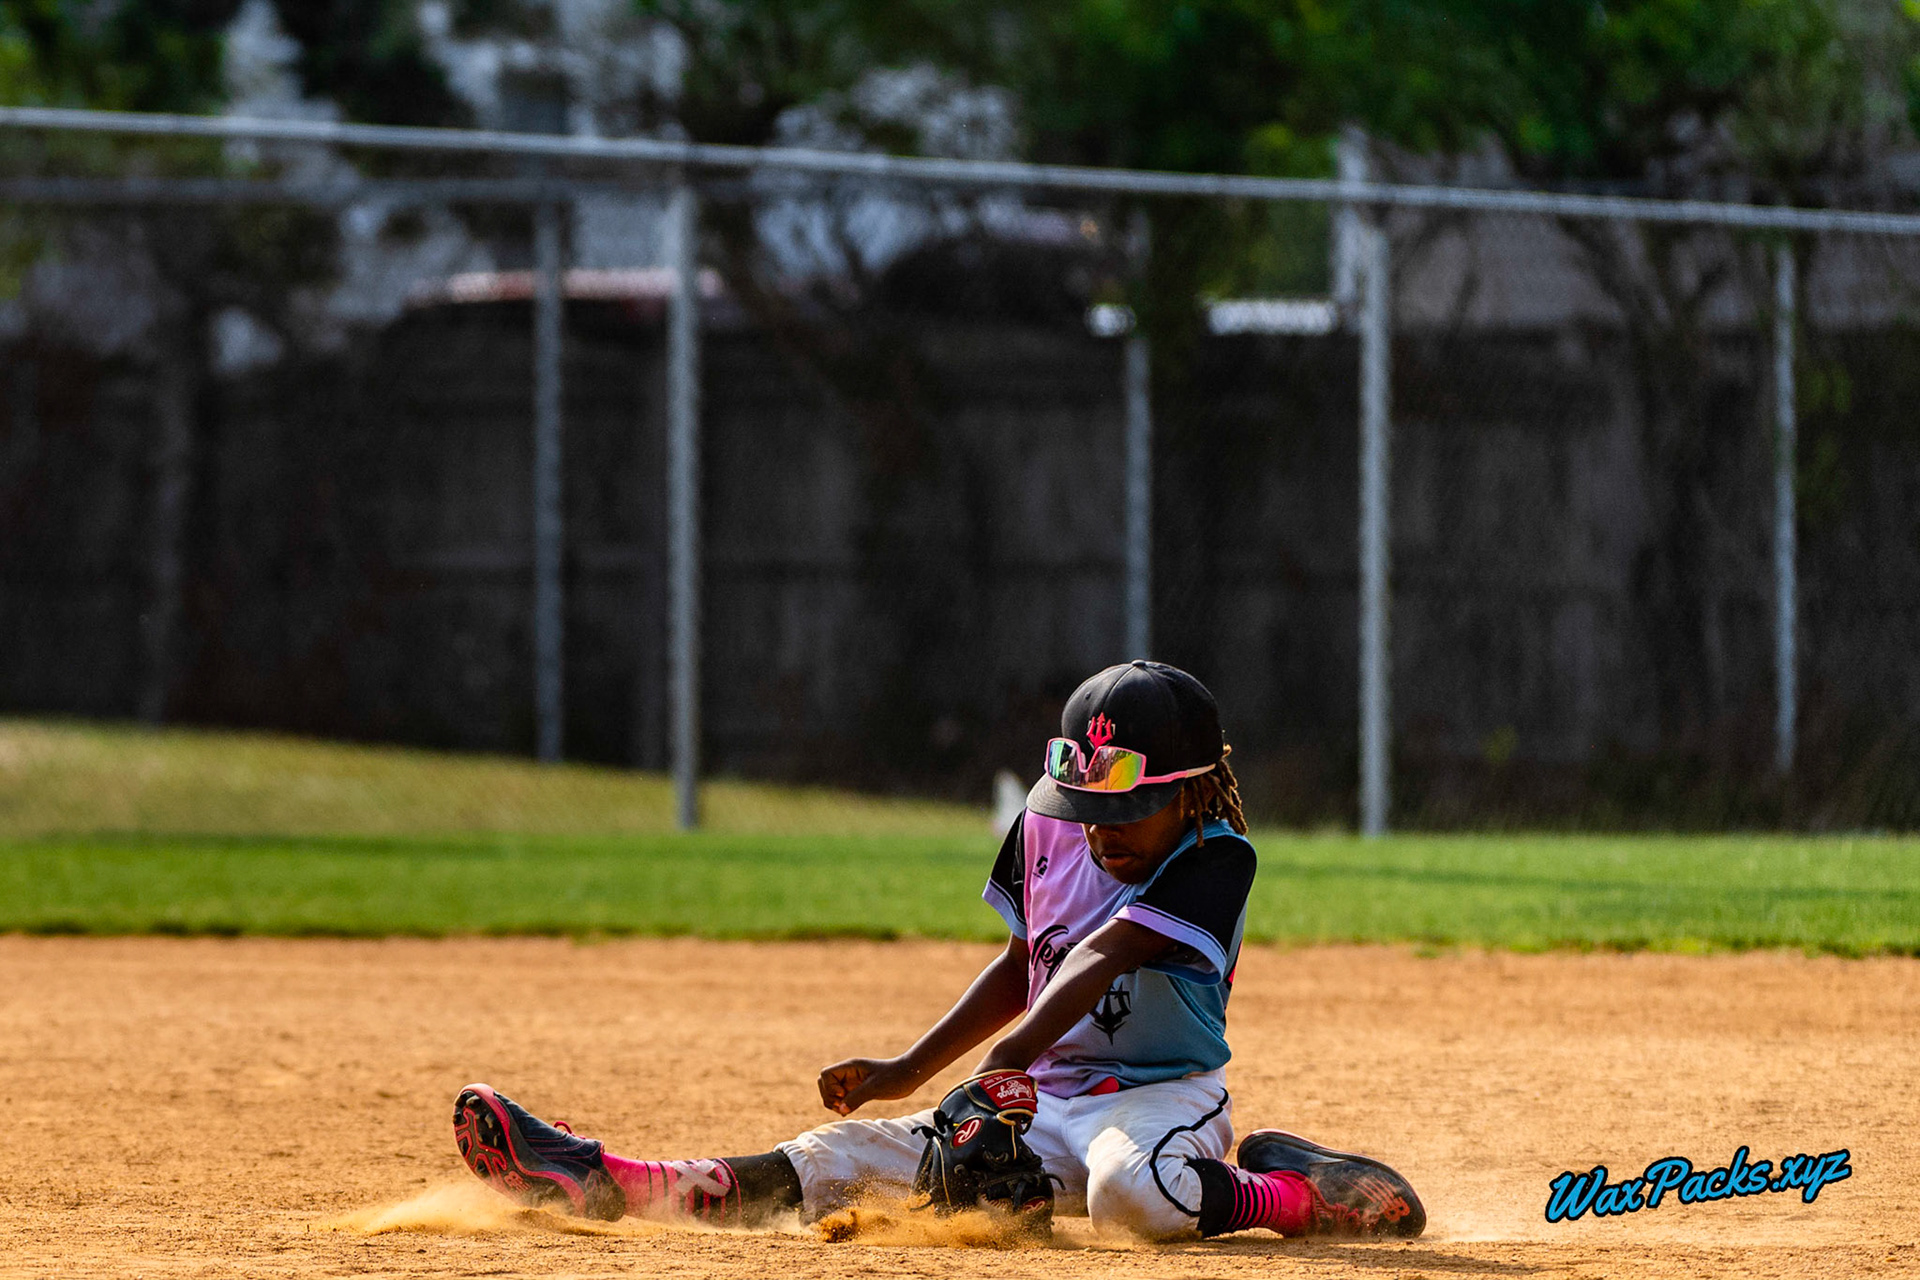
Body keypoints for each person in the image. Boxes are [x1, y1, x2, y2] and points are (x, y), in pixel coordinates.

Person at [453, 660, 1426, 1241]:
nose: (1100, 832)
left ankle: (1299, 1189)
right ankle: (609, 1176)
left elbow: (1101, 957)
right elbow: (1027, 963)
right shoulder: (1046, 831)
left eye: (1130, 810)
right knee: (839, 1157)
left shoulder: (1221, 859)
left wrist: (1000, 1068)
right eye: (1088, 808)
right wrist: (910, 1070)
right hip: (1044, 1102)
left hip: (1161, 1098)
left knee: (1138, 1199)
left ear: (1195, 794)